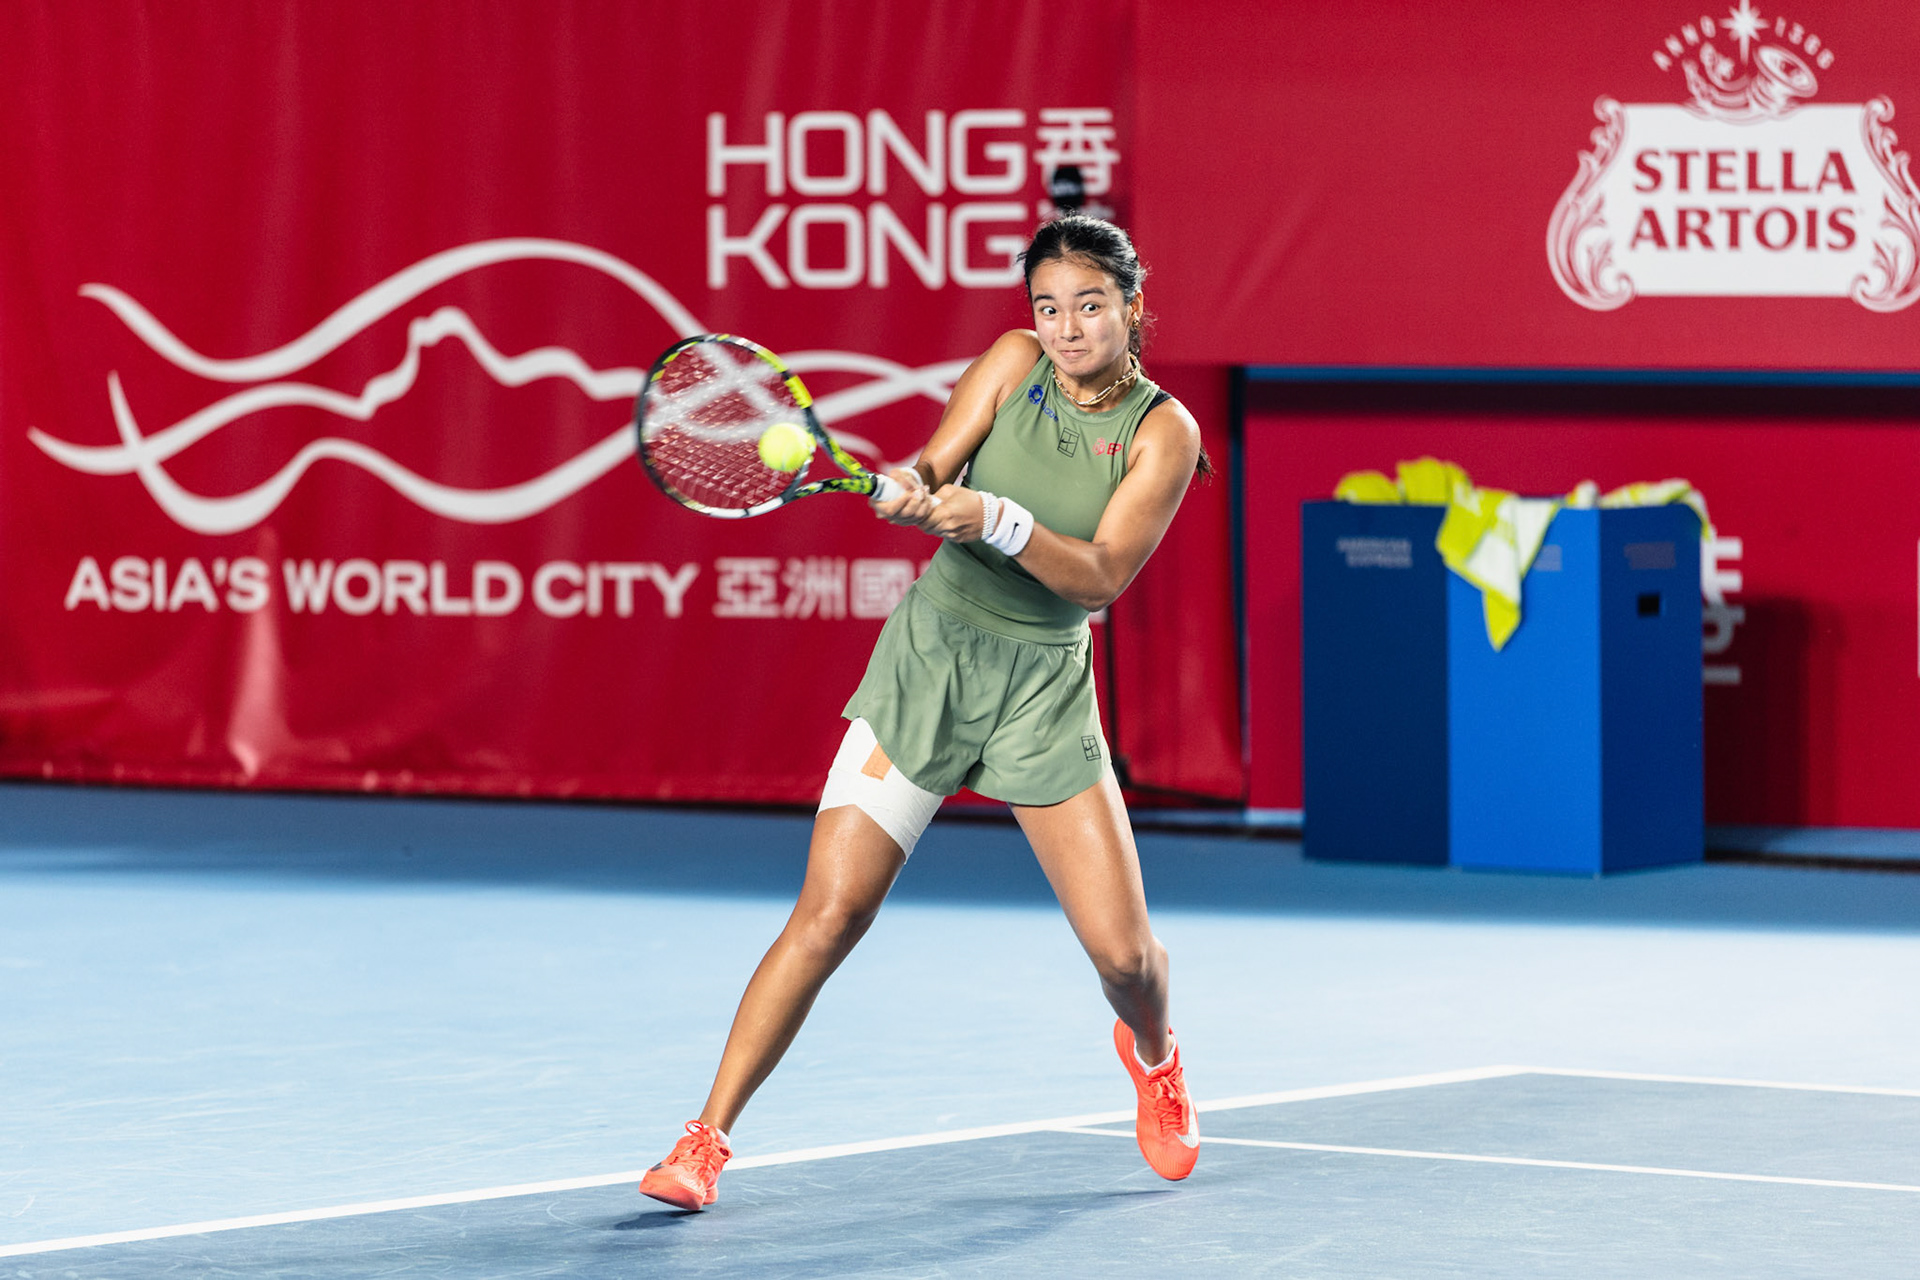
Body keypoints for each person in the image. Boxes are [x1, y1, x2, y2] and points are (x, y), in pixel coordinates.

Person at [640, 213, 1208, 1212]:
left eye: (1089, 306)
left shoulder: (1164, 430)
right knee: (830, 913)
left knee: (1125, 957)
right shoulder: (1013, 363)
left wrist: (1000, 519)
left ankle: (1155, 1053)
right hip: (931, 661)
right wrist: (914, 486)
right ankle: (704, 1140)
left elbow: (1102, 575)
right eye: (1048, 307)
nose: (1067, 328)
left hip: (1041, 688)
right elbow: (936, 464)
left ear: (1131, 305)